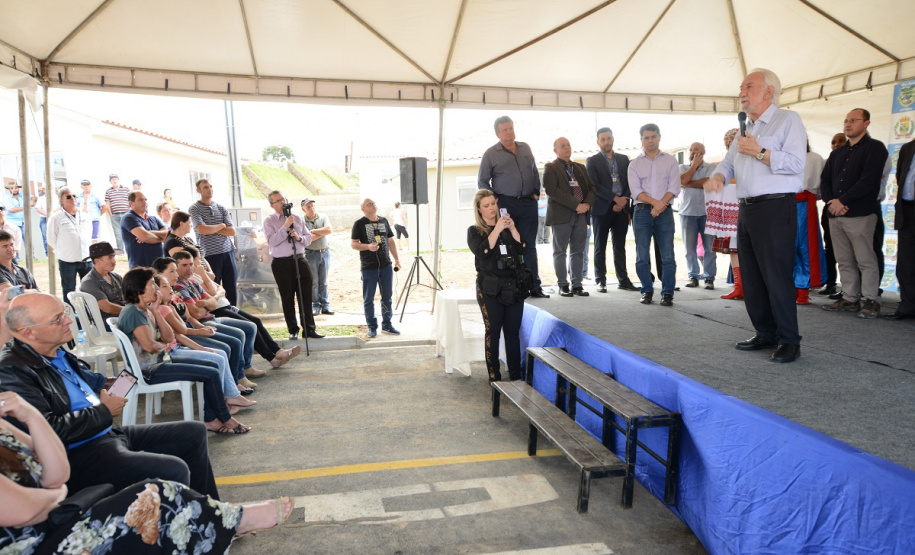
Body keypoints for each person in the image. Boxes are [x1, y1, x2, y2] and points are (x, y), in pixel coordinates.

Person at [0, 391, 293, 553]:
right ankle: (228, 521)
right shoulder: (17, 366)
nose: (66, 320)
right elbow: (23, 510)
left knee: (169, 476)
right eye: (56, 319)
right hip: (38, 541)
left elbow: (56, 473)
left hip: (57, 514)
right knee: (157, 495)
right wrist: (57, 496)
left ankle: (222, 520)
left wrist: (31, 416)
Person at [0, 292, 220, 496]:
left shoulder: (54, 351)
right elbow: (49, 430)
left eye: (65, 312)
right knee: (173, 469)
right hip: (78, 454)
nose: (68, 321)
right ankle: (191, 521)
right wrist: (104, 411)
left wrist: (116, 385)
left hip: (103, 433)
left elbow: (91, 381)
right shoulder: (11, 371)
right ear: (28, 332)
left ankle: (211, 513)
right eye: (57, 319)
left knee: (193, 432)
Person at [705, 68, 807, 363]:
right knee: (751, 276)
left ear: (768, 92)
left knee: (776, 276)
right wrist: (718, 177)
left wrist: (760, 152)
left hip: (775, 207)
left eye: (748, 87)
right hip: (746, 208)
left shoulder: (788, 120)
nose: (741, 92)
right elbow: (728, 163)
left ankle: (789, 340)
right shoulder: (743, 127)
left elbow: (796, 163)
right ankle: (765, 332)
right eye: (741, 87)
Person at [118, 267, 251, 435]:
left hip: (161, 361)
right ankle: (225, 418)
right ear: (139, 289)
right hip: (150, 371)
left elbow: (168, 337)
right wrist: (163, 345)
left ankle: (212, 419)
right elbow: (150, 346)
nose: (156, 288)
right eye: (152, 284)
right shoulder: (133, 312)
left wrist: (156, 311)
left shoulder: (147, 310)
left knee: (213, 366)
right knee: (210, 373)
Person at [820, 108, 887, 319]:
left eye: (853, 120)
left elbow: (869, 181)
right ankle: (849, 298)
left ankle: (871, 300)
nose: (848, 124)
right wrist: (831, 202)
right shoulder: (837, 153)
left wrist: (843, 201)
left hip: (861, 213)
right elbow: (825, 181)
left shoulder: (875, 148)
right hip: (835, 214)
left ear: (866, 123)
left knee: (865, 259)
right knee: (844, 259)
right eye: (846, 121)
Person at [159, 252, 256, 392]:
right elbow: (189, 320)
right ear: (160, 274)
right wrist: (200, 329)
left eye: (191, 264)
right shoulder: (166, 297)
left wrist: (201, 324)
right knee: (229, 345)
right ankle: (232, 386)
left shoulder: (175, 293)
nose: (176, 274)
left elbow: (197, 313)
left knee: (248, 327)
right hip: (184, 336)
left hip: (196, 325)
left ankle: (235, 382)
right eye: (172, 271)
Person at [478, 115, 549, 298]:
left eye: (511, 128)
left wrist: (536, 191)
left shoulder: (525, 147)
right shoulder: (490, 154)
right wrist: (495, 200)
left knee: (529, 246)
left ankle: (534, 286)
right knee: (509, 246)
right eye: (505, 130)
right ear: (497, 133)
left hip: (528, 204)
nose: (510, 132)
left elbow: (534, 172)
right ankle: (514, 286)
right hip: (505, 205)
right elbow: (482, 181)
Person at [467, 189, 525, 382]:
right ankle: (495, 379)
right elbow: (482, 252)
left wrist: (513, 229)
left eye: (493, 203)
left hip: (513, 286)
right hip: (490, 289)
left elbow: (522, 248)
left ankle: (516, 377)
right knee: (493, 333)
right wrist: (497, 229)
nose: (492, 208)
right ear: (479, 209)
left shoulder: (507, 226)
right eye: (487, 205)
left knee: (512, 333)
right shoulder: (474, 231)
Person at [629, 123, 680, 307]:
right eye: (646, 138)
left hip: (665, 213)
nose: (650, 140)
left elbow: (674, 187)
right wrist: (656, 203)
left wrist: (660, 205)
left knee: (667, 256)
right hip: (642, 213)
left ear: (659, 137)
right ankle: (647, 290)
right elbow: (636, 191)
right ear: (641, 140)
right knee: (642, 255)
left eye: (653, 137)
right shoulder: (634, 164)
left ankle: (667, 293)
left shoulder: (670, 161)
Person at [264, 191, 324, 341]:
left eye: (283, 199)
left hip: (300, 260)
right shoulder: (269, 221)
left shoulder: (297, 217)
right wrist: (285, 226)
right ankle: (293, 329)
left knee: (305, 296)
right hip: (281, 263)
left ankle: (309, 329)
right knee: (287, 297)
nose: (282, 202)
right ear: (272, 205)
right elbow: (272, 241)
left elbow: (308, 238)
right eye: (278, 201)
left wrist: (299, 237)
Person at [543, 137, 595, 297]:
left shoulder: (580, 167)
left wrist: (586, 204)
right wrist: (576, 205)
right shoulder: (550, 167)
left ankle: (577, 285)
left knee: (578, 251)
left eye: (568, 145)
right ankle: (563, 285)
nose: (567, 148)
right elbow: (552, 190)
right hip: (561, 216)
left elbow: (592, 188)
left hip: (581, 215)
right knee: (560, 251)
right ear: (555, 150)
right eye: (562, 146)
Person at [586, 127, 637, 293]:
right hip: (602, 209)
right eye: (603, 139)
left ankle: (623, 279)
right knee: (600, 246)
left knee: (620, 246)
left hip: (622, 208)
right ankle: (600, 280)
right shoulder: (592, 161)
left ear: (613, 139)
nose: (606, 142)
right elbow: (595, 185)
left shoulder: (623, 159)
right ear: (598, 142)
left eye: (608, 138)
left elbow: (630, 182)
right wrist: (615, 199)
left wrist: (623, 201)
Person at [351, 197, 402, 338]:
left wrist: (396, 259)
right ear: (363, 209)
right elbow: (354, 244)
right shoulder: (359, 224)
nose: (373, 205)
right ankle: (372, 326)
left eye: (373, 203)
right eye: (369, 204)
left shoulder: (384, 221)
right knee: (369, 298)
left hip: (386, 265)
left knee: (387, 297)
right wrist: (368, 246)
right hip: (369, 267)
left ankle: (387, 324)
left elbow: (390, 240)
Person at [189, 179, 238, 306]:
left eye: (210, 186)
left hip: (228, 252)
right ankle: (218, 313)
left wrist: (211, 228)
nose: (209, 189)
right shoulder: (195, 208)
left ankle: (234, 311)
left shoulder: (221, 208)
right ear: (198, 190)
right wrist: (221, 225)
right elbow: (202, 229)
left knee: (231, 286)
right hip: (210, 254)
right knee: (213, 287)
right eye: (205, 187)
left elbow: (232, 231)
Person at [678, 142, 718, 290]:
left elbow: (707, 182)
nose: (692, 152)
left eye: (696, 150)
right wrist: (694, 166)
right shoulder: (682, 167)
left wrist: (688, 183)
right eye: (690, 150)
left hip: (707, 213)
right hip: (687, 213)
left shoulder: (711, 167)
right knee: (689, 249)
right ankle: (693, 276)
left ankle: (709, 277)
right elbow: (682, 180)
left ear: (703, 152)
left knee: (710, 248)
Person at [794, 141, 827, 305]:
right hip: (783, 203)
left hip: (804, 203)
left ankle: (803, 289)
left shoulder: (814, 158)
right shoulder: (779, 157)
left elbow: (822, 186)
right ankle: (791, 288)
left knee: (806, 246)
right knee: (787, 246)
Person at [885, 137, 915, 320]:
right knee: (906, 263)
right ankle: (907, 307)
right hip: (906, 211)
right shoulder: (907, 148)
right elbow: (900, 177)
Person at [817, 132, 850, 298]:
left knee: (851, 251)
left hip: (851, 209)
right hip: (830, 209)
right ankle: (830, 283)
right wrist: (832, 202)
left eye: (840, 141)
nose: (836, 144)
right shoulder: (828, 162)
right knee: (830, 248)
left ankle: (851, 290)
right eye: (833, 142)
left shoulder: (854, 160)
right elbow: (824, 185)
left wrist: (842, 203)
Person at [47, 187, 93, 302]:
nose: (72, 198)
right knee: (69, 290)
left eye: (74, 196)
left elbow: (89, 234)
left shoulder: (85, 215)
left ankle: (90, 312)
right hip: (67, 260)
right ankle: (71, 313)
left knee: (90, 290)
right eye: (68, 197)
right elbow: (51, 239)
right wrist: (65, 249)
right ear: (61, 201)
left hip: (86, 259)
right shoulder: (56, 218)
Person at [79, 241, 125, 326]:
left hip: (121, 317)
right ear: (97, 261)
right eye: (110, 258)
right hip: (105, 322)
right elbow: (107, 308)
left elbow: (128, 297)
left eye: (114, 257)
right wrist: (131, 311)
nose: (114, 261)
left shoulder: (116, 277)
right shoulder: (89, 282)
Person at [302, 197, 334, 315]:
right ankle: (315, 305)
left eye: (313, 205)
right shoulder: (301, 221)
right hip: (310, 254)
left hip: (325, 252)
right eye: (308, 207)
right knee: (314, 281)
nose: (311, 208)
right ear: (303, 209)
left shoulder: (323, 217)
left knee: (323, 281)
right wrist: (322, 232)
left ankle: (325, 305)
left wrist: (312, 231)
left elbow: (328, 230)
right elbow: (308, 240)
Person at [121, 191, 168, 269]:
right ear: (131, 203)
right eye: (140, 200)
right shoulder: (128, 217)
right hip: (141, 268)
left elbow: (168, 234)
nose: (145, 202)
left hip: (159, 266)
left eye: (145, 199)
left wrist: (150, 232)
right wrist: (161, 238)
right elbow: (145, 237)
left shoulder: (153, 218)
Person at [103, 173, 130, 250]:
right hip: (115, 215)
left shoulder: (126, 189)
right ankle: (120, 251)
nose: (114, 181)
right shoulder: (108, 191)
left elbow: (130, 200)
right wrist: (111, 215)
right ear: (110, 181)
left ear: (118, 180)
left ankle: (130, 249)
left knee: (129, 232)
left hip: (126, 214)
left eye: (116, 179)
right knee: (118, 234)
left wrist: (130, 212)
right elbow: (107, 204)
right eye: (112, 180)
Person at [32, 182, 49, 256]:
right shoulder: (41, 199)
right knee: (45, 237)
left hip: (55, 218)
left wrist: (51, 214)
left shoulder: (57, 198)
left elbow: (60, 207)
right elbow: (38, 208)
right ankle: (48, 254)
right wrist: (46, 214)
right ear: (44, 190)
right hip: (44, 218)